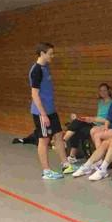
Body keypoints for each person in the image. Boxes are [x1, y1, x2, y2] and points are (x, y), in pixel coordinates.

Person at [28, 42, 73, 180]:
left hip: (51, 110)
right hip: (41, 113)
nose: (52, 56)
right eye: (50, 54)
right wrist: (43, 114)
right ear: (42, 53)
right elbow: (34, 94)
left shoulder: (46, 67)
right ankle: (46, 171)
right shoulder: (36, 70)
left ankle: (66, 164)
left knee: (58, 135)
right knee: (44, 140)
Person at [63, 83, 112, 167]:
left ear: (108, 91)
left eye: (104, 90)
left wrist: (93, 119)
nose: (102, 92)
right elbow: (98, 116)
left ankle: (64, 142)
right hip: (95, 123)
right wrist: (89, 119)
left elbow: (108, 119)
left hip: (102, 126)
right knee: (77, 121)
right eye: (101, 91)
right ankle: (70, 154)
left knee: (77, 128)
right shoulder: (100, 102)